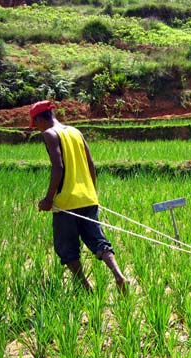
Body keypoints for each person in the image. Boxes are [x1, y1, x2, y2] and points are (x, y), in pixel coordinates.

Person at [30, 100, 128, 293]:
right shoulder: (76, 132)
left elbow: (58, 167)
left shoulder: (50, 134)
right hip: (88, 198)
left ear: (41, 119)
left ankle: (85, 287)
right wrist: (91, 192)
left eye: (36, 124)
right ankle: (118, 275)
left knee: (67, 248)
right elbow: (91, 164)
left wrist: (48, 200)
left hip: (66, 202)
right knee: (98, 240)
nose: (37, 128)